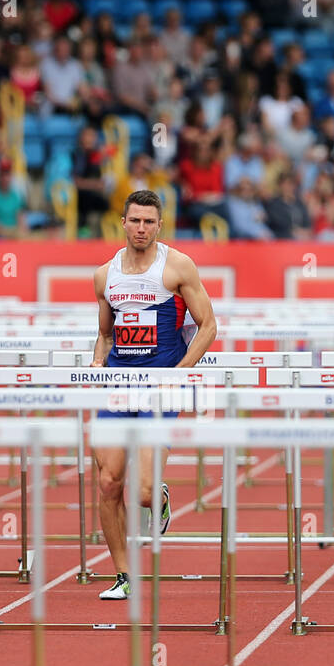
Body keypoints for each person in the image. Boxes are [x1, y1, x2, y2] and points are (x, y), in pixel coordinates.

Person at [90, 189, 218, 600]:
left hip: (161, 385)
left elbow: (209, 326)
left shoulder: (177, 266)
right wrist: (97, 365)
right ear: (123, 223)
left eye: (149, 221)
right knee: (109, 483)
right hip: (116, 385)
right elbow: (106, 333)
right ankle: (125, 575)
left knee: (143, 491)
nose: (141, 228)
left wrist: (178, 376)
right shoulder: (104, 274)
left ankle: (158, 495)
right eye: (135, 221)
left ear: (159, 225)